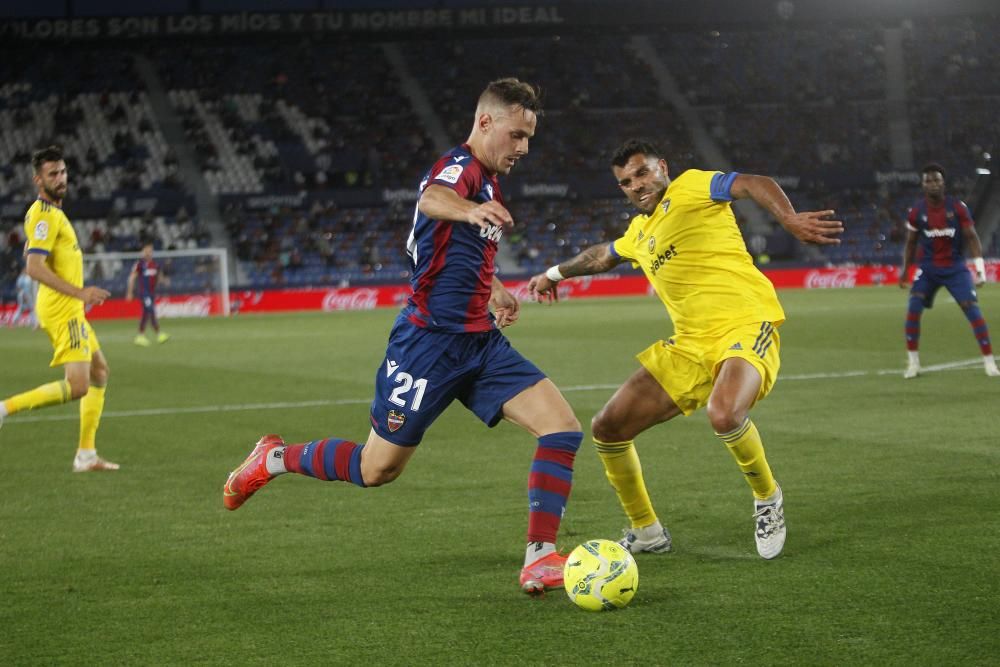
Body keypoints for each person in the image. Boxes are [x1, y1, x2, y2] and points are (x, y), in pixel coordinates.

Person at [222, 79, 583, 595]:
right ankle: (273, 458)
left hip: (479, 343)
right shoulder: (459, 170)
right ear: (485, 122)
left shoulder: (489, 182)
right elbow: (434, 198)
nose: (524, 147)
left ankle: (539, 558)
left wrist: (496, 290)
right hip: (427, 346)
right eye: (517, 134)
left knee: (562, 428)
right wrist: (468, 209)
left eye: (530, 137)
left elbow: (444, 248)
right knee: (377, 469)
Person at [527, 139, 843, 559]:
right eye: (625, 182)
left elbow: (752, 183)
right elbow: (602, 255)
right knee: (609, 428)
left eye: (642, 173)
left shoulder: (693, 186)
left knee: (725, 411)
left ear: (662, 166)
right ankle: (646, 532)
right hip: (690, 345)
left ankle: (767, 498)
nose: (636, 185)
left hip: (745, 322)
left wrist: (787, 218)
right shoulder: (640, 233)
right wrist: (553, 273)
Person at [0, 145, 118, 472]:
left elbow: (37, 254)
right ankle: (3, 409)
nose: (61, 178)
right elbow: (33, 267)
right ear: (39, 180)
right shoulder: (43, 215)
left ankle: (86, 454)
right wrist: (80, 292)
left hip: (67, 309)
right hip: (65, 310)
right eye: (53, 174)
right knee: (79, 385)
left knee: (99, 372)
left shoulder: (49, 214)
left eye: (63, 171)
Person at [898, 163, 999, 378]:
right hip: (928, 268)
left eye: (937, 180)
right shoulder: (917, 212)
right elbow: (911, 243)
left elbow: (972, 237)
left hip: (955, 267)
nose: (933, 184)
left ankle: (989, 362)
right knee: (913, 307)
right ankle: (913, 363)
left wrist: (979, 268)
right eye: (928, 181)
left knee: (971, 308)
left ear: (943, 183)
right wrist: (905, 270)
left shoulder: (958, 208)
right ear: (923, 186)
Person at [126, 242, 170, 346]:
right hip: (143, 293)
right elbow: (132, 278)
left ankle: (140, 336)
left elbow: (159, 277)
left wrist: (164, 281)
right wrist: (129, 292)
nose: (148, 253)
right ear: (143, 252)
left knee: (146, 314)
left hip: (151, 293)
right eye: (146, 251)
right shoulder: (140, 264)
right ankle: (159, 334)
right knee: (151, 310)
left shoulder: (156, 265)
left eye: (150, 251)